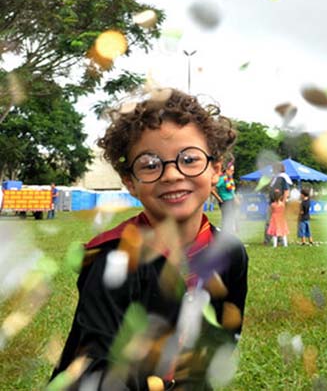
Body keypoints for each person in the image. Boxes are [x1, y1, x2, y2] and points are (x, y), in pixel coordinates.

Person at [50, 89, 248, 389]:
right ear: (130, 181)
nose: (171, 175)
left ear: (215, 169)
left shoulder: (230, 253)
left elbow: (221, 340)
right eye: (151, 164)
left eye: (190, 159)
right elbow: (98, 369)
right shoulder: (114, 257)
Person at [211, 160, 239, 233]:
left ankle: (230, 236)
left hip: (231, 201)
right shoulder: (222, 179)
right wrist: (219, 198)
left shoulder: (230, 179)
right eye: (231, 170)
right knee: (227, 219)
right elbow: (212, 189)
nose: (232, 172)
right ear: (226, 170)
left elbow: (232, 191)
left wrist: (235, 198)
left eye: (233, 171)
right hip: (225, 201)